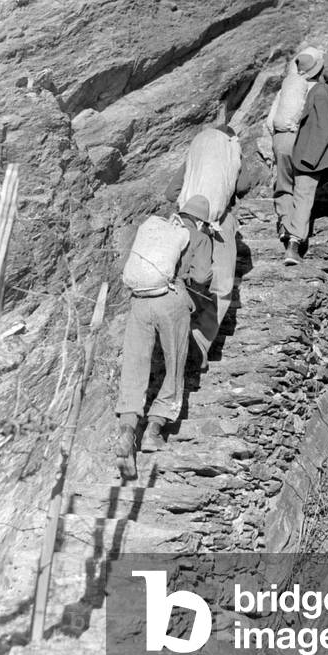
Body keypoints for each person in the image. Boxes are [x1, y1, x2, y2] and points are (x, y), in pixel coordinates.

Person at [115, 194, 213, 477]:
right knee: (174, 365)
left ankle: (127, 430)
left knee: (134, 366)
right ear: (202, 221)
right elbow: (203, 277)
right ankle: (154, 430)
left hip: (140, 299)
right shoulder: (199, 237)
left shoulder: (159, 228)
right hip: (171, 299)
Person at [166, 124, 252, 370]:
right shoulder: (230, 151)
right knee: (221, 285)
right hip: (221, 223)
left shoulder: (197, 153)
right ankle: (201, 342)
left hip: (188, 224)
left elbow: (170, 192)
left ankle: (178, 339)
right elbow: (244, 185)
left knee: (188, 279)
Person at [282, 51, 328, 266]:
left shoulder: (320, 92)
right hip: (309, 156)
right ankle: (293, 237)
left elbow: (321, 128)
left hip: (308, 156)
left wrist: (309, 158)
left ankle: (293, 246)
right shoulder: (324, 91)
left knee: (302, 198)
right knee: (302, 197)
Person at [265, 47, 322, 245]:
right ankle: (295, 241)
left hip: (280, 139)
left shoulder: (285, 87)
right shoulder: (315, 88)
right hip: (300, 139)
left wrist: (279, 141)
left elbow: (269, 121)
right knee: (303, 189)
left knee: (284, 185)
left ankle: (283, 224)